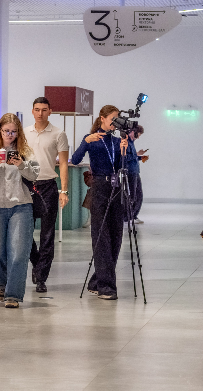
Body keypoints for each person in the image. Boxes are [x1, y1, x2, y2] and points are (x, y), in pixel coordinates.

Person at [0, 113, 40, 308]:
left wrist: (21, 164)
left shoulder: (26, 152)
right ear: (0, 131)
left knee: (19, 253)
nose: (10, 135)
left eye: (14, 131)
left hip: (21, 206)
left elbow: (34, 175)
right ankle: (1, 283)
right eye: (6, 131)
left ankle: (13, 295)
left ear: (19, 132)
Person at [71, 105, 129, 300]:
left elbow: (121, 166)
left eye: (117, 119)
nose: (115, 123)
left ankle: (97, 280)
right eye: (113, 119)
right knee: (101, 235)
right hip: (99, 188)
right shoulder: (92, 140)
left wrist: (124, 152)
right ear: (102, 118)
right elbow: (75, 159)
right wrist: (85, 142)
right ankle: (106, 286)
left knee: (116, 237)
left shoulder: (116, 141)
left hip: (116, 188)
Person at [24, 97, 69, 294]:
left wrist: (64, 190)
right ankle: (37, 263)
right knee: (25, 231)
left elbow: (64, 163)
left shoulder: (59, 134)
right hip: (27, 185)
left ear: (50, 111)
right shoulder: (24, 132)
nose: (40, 113)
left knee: (47, 234)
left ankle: (41, 277)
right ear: (32, 111)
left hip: (48, 185)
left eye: (44, 110)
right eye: (37, 109)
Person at [124, 125, 149, 225]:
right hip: (130, 172)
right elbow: (125, 157)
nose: (138, 137)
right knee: (133, 195)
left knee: (138, 195)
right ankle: (129, 216)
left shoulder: (132, 143)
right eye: (138, 135)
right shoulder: (126, 143)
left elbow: (132, 157)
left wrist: (140, 157)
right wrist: (137, 154)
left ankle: (133, 215)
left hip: (135, 171)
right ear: (133, 132)